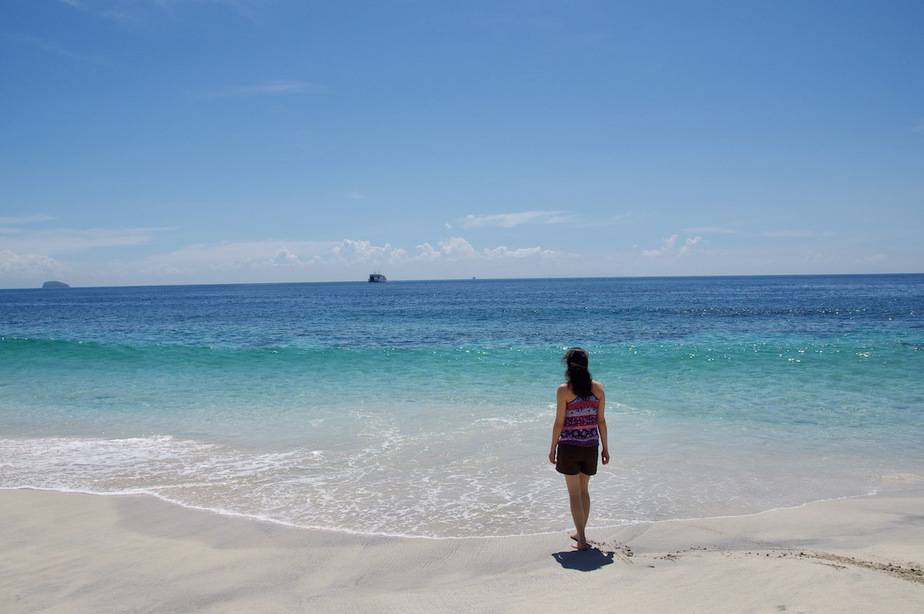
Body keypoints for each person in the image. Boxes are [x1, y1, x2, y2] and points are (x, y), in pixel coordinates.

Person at [548, 347, 609, 551]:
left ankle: (581, 538)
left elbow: (559, 423)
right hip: (591, 446)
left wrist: (552, 448)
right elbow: (601, 421)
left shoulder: (564, 390)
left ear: (568, 366)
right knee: (584, 491)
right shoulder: (598, 389)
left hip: (569, 448)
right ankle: (580, 531)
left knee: (574, 494)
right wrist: (606, 448)